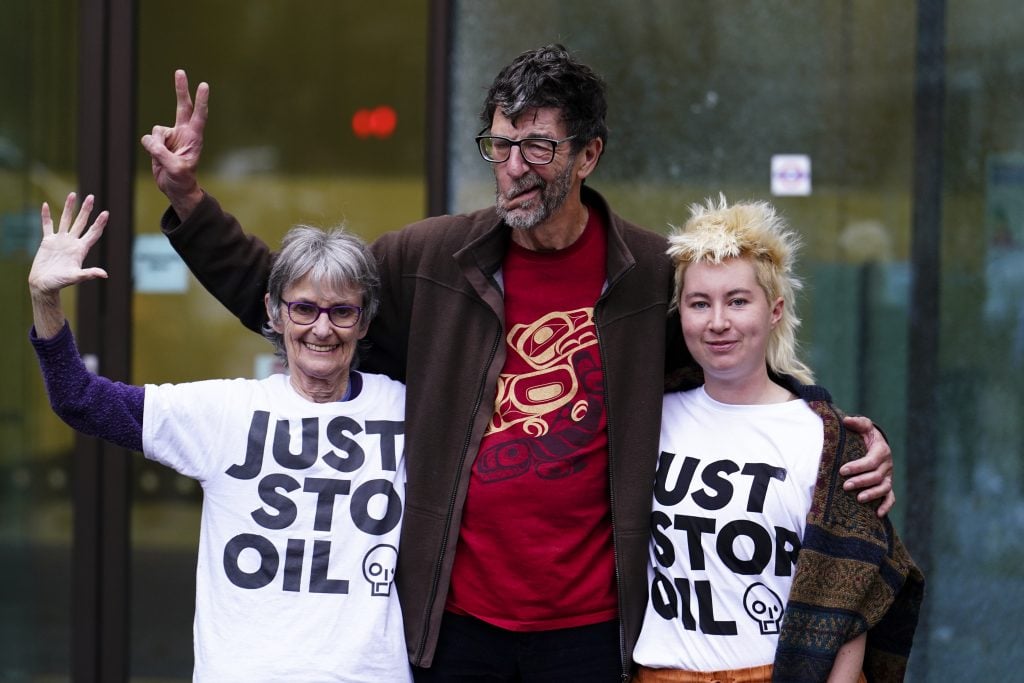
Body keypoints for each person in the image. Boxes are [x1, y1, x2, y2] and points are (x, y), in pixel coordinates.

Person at [140, 45, 897, 681]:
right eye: (500, 145)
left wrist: (831, 436)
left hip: (595, 630)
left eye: (538, 146)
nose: (513, 167)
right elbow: (299, 307)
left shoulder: (645, 277)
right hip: (456, 620)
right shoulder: (430, 259)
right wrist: (191, 202)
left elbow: (725, 362)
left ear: (589, 153)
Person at [28, 193, 411, 683]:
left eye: (342, 311)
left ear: (365, 320)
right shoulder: (226, 412)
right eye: (304, 309)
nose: (322, 328)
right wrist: (44, 299)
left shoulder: (406, 409)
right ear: (273, 313)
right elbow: (78, 399)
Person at [632, 197, 923, 683]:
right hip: (659, 673)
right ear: (678, 315)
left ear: (775, 311)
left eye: (738, 300)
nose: (718, 321)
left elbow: (850, 599)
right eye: (699, 303)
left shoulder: (829, 443)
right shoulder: (645, 418)